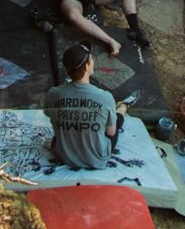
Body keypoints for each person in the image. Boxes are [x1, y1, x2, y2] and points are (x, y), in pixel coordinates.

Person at [45, 41, 131, 169]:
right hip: (96, 158)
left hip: (63, 156)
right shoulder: (105, 97)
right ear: (86, 67)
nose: (94, 62)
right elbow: (111, 132)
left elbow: (49, 114)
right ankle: (123, 107)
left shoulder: (54, 93)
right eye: (91, 59)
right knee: (114, 125)